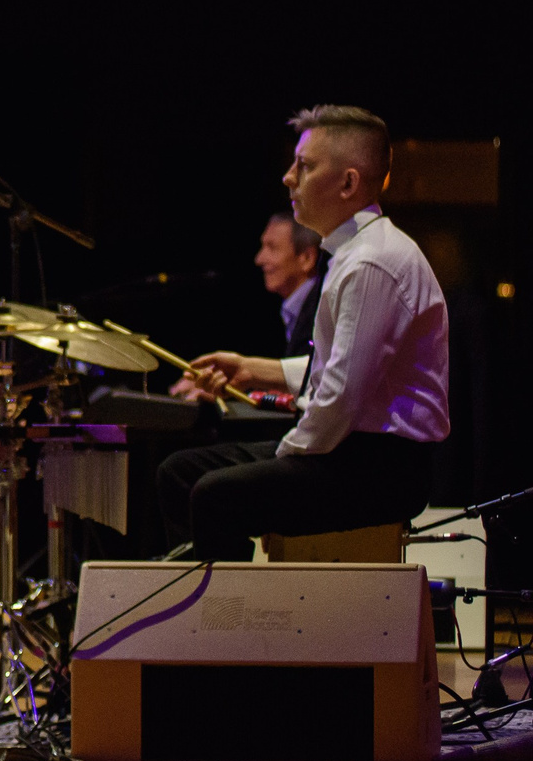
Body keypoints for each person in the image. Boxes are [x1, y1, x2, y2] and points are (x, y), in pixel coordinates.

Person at [158, 106, 448, 562]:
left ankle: (231, 621)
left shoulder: (372, 261)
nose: (288, 178)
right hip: (352, 455)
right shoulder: (355, 252)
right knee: (181, 472)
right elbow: (337, 368)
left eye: (304, 166)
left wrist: (286, 454)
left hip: (380, 470)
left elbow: (341, 398)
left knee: (214, 495)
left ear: (348, 183)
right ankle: (216, 601)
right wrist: (252, 368)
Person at [173, 215, 327, 400]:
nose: (259, 259)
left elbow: (313, 389)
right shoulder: (296, 309)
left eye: (272, 247)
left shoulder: (321, 308)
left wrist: (233, 393)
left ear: (307, 258)